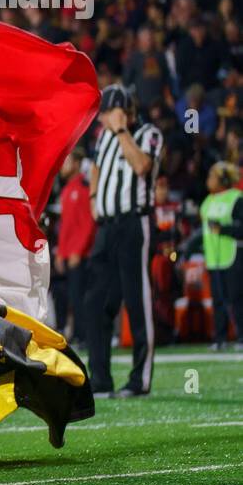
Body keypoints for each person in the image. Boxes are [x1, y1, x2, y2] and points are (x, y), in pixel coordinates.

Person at [84, 84, 164, 397]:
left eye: (108, 113)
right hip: (107, 228)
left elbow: (142, 166)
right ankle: (100, 379)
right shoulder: (103, 138)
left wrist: (120, 131)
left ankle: (139, 380)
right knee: (96, 303)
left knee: (137, 301)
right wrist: (93, 197)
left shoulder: (148, 134)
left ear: (126, 112)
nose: (103, 120)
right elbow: (95, 166)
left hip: (134, 224)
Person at [199, 161, 243, 352]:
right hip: (213, 258)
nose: (208, 181)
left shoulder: (237, 198)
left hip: (233, 255)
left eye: (212, 176)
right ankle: (220, 338)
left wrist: (222, 229)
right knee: (218, 300)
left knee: (237, 298)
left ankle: (241, 336)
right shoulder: (208, 201)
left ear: (223, 180)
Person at [52, 150, 94, 339]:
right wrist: (61, 252)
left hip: (81, 255)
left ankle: (84, 336)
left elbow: (88, 224)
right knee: (70, 296)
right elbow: (66, 226)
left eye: (66, 161)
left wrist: (79, 250)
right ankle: (73, 333)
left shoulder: (84, 188)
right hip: (68, 255)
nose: (63, 165)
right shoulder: (67, 190)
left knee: (80, 297)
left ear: (77, 163)